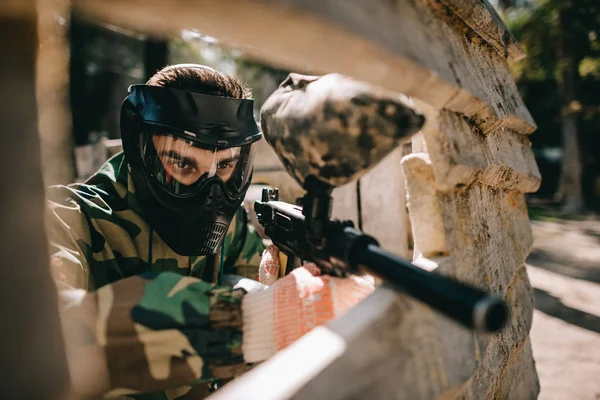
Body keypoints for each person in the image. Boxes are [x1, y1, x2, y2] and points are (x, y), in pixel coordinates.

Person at [46, 64, 374, 399]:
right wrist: (249, 320)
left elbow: (256, 284)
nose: (211, 192)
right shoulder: (67, 221)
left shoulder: (230, 228)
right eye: (183, 164)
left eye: (227, 165)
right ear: (139, 150)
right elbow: (47, 331)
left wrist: (289, 287)